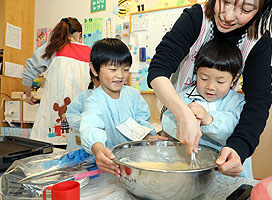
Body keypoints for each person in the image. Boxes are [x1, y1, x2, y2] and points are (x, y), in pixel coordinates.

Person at [147, 0, 272, 177]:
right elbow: (158, 69)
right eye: (225, 1)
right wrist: (183, 114)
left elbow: (258, 102)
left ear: (260, 10)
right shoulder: (196, 18)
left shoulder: (257, 40)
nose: (227, 16)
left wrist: (239, 147)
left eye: (246, 9)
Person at [162, 39, 253, 178]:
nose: (210, 86)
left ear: (233, 80)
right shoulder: (185, 96)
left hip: (227, 175)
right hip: (192, 172)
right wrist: (185, 122)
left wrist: (209, 120)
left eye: (220, 81)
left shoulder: (237, 102)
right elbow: (168, 120)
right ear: (196, 73)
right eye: (204, 78)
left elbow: (236, 130)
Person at [79, 38, 167, 177]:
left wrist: (148, 137)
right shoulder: (94, 101)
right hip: (110, 165)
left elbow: (141, 121)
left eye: (125, 69)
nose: (120, 75)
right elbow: (90, 127)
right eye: (113, 69)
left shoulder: (133, 94)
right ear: (95, 69)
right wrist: (98, 149)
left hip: (135, 163)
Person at [22, 17, 91, 147]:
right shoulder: (90, 52)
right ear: (79, 34)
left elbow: (28, 73)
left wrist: (28, 94)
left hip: (51, 128)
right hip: (81, 125)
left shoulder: (52, 48)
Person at [66, 70, 101, 150]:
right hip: (79, 146)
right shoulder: (84, 96)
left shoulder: (116, 99)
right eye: (98, 79)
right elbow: (72, 116)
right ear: (93, 79)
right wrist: (89, 126)